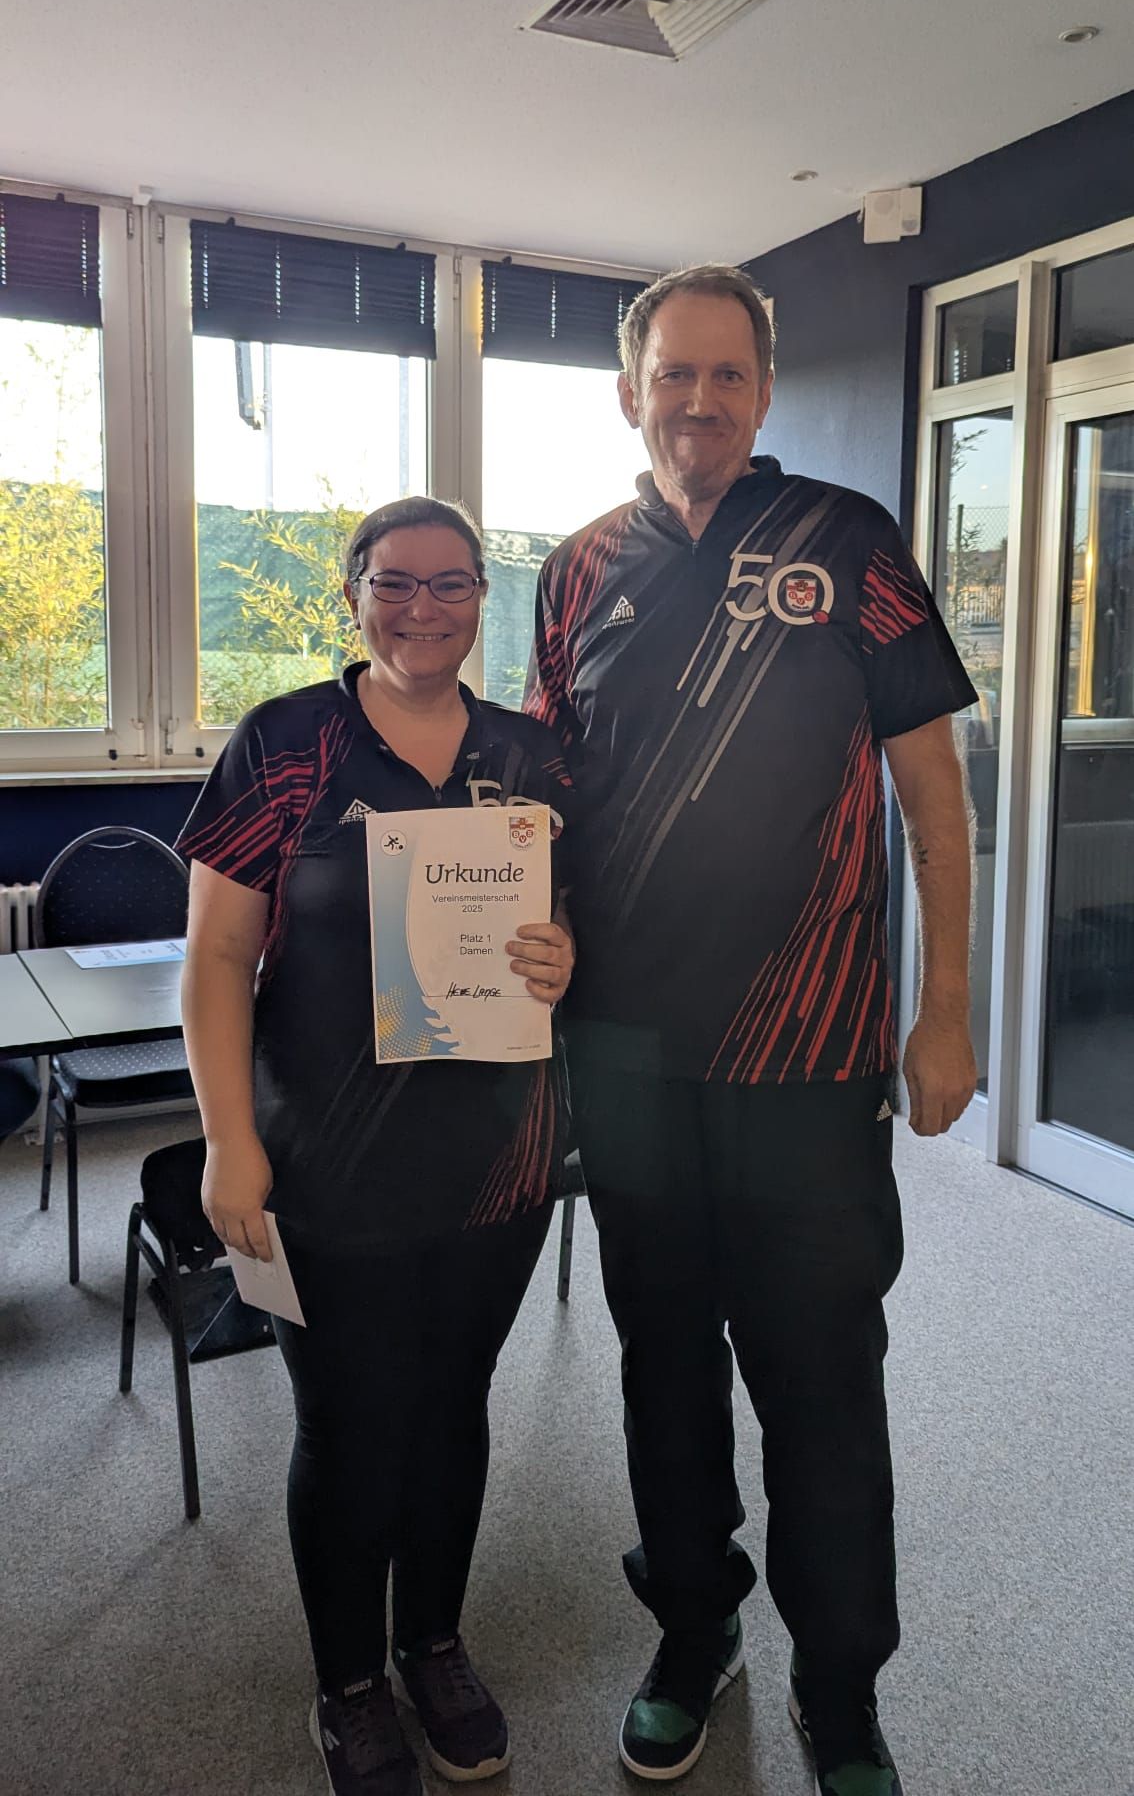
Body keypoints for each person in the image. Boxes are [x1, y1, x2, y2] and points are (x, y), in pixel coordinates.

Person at [525, 265, 978, 1796]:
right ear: (628, 392)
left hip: (812, 1054)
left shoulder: (848, 544)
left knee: (820, 1381)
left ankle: (838, 1688)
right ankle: (691, 1626)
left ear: (765, 391)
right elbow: (546, 802)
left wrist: (943, 1012)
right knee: (663, 1368)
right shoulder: (577, 572)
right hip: (627, 1056)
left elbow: (932, 800)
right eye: (674, 374)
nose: (699, 401)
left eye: (727, 374)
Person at [178, 497, 574, 1796]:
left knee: (453, 1408)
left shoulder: (529, 755)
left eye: (450, 583)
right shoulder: (287, 741)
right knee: (350, 1427)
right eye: (393, 583)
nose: (422, 608)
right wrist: (227, 1141)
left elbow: (574, 923)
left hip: (497, 1161)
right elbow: (217, 959)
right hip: (323, 1162)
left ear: (481, 599)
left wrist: (562, 953)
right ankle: (349, 1682)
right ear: (352, 595)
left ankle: (434, 1644)